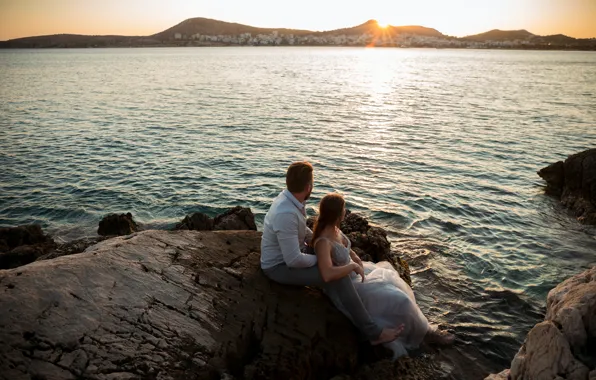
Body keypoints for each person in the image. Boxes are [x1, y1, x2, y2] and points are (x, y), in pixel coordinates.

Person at [261, 161, 402, 345]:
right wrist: (326, 262)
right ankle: (374, 333)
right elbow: (293, 260)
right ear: (308, 186)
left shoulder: (290, 199)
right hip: (278, 268)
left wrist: (326, 249)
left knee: (336, 267)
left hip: (292, 254)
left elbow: (302, 232)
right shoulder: (286, 213)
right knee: (338, 275)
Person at [312, 192, 455, 358]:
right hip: (346, 287)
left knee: (396, 285)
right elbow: (327, 273)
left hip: (357, 275)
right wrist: (351, 267)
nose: (345, 211)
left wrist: (357, 261)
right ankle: (416, 335)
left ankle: (423, 332)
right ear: (337, 213)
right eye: (344, 208)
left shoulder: (336, 230)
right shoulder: (322, 242)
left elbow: (348, 250)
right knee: (399, 300)